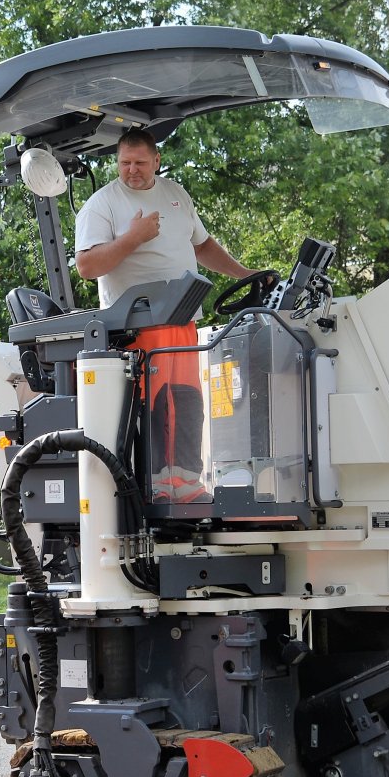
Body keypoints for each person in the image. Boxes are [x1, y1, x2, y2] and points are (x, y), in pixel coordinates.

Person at [73, 128, 254, 502]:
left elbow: (202, 245)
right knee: (154, 407)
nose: (132, 170)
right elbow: (87, 266)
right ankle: (154, 487)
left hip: (182, 321)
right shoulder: (102, 204)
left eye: (140, 162)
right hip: (138, 326)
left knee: (187, 403)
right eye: (125, 163)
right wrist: (133, 238)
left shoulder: (176, 195)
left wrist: (244, 274)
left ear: (156, 160)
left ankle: (186, 485)